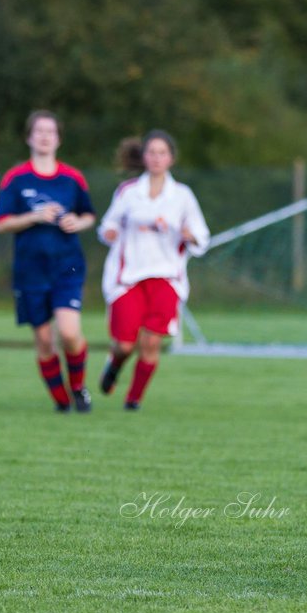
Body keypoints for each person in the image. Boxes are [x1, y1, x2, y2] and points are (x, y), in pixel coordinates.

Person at [96, 130, 209, 410]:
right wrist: (109, 232)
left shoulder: (182, 196)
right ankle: (114, 365)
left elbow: (201, 237)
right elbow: (107, 226)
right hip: (128, 277)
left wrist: (189, 235)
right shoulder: (129, 192)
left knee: (150, 343)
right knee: (124, 344)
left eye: (162, 153)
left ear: (171, 158)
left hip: (166, 277)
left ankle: (133, 400)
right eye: (152, 152)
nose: (157, 158)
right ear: (144, 156)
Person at [0, 110, 97, 412]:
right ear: (29, 137)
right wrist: (35, 216)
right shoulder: (16, 178)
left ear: (58, 139)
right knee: (44, 341)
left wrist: (77, 222)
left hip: (67, 266)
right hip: (30, 270)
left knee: (68, 332)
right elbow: (1, 223)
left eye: (50, 131)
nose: (44, 136)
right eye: (39, 131)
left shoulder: (72, 177)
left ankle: (78, 388)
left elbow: (88, 215)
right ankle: (61, 402)